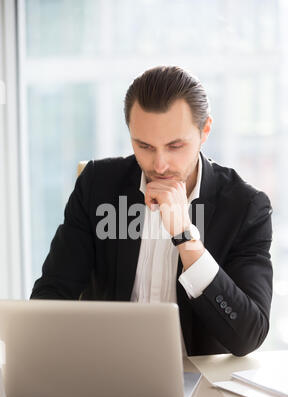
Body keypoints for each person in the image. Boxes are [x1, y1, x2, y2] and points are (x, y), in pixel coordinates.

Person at [30, 65, 273, 357]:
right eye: (144, 145)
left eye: (175, 146)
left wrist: (186, 238)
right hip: (106, 372)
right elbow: (53, 293)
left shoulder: (245, 207)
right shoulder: (97, 186)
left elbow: (248, 335)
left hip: (197, 382)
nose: (159, 165)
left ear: (205, 130)